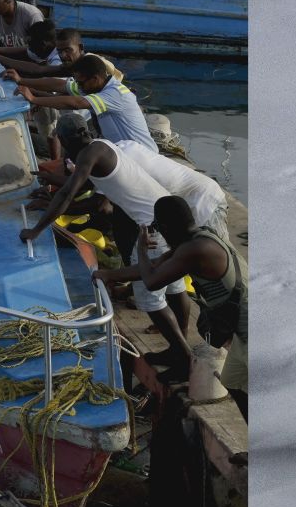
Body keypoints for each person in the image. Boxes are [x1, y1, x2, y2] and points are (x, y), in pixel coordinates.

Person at [20, 138, 196, 372]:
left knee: (150, 299)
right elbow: (79, 188)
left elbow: (67, 195)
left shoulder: (88, 155)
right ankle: (181, 344)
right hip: (168, 223)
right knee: (175, 287)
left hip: (152, 228)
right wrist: (51, 191)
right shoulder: (104, 147)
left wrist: (35, 230)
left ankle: (182, 355)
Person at [95, 194, 246, 413]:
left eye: (156, 226)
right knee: (234, 383)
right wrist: (108, 274)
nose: (157, 231)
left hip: (248, 325)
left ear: (165, 226)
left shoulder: (195, 250)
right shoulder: (196, 239)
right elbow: (155, 266)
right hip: (239, 322)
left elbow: (152, 281)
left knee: (252, 389)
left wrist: (141, 250)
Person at [8, 53, 152, 150]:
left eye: (81, 83)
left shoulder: (115, 94)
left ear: (95, 78)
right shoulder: (93, 86)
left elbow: (75, 103)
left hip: (141, 155)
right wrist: (21, 80)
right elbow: (58, 84)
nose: (79, 87)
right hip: (120, 150)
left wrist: (34, 99)